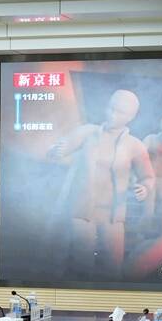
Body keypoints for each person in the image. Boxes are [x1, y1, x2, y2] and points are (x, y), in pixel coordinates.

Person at [47, 89, 155, 277]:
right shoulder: (87, 132)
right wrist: (57, 150)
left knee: (112, 268)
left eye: (120, 112)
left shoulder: (135, 146)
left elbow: (148, 177)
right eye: (111, 108)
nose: (112, 114)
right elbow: (59, 148)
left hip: (113, 216)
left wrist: (144, 188)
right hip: (82, 212)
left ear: (131, 116)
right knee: (82, 265)